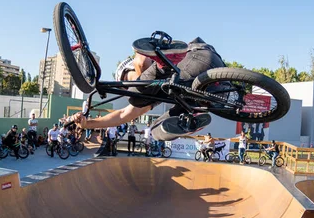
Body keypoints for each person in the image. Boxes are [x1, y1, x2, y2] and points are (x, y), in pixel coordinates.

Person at [72, 37, 225, 141]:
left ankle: (163, 68)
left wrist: (137, 80)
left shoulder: (142, 66)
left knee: (136, 97)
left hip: (194, 57)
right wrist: (88, 124)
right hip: (213, 73)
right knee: (156, 130)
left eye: (126, 80)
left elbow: (140, 60)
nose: (127, 87)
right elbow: (123, 115)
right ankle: (194, 117)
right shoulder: (155, 91)